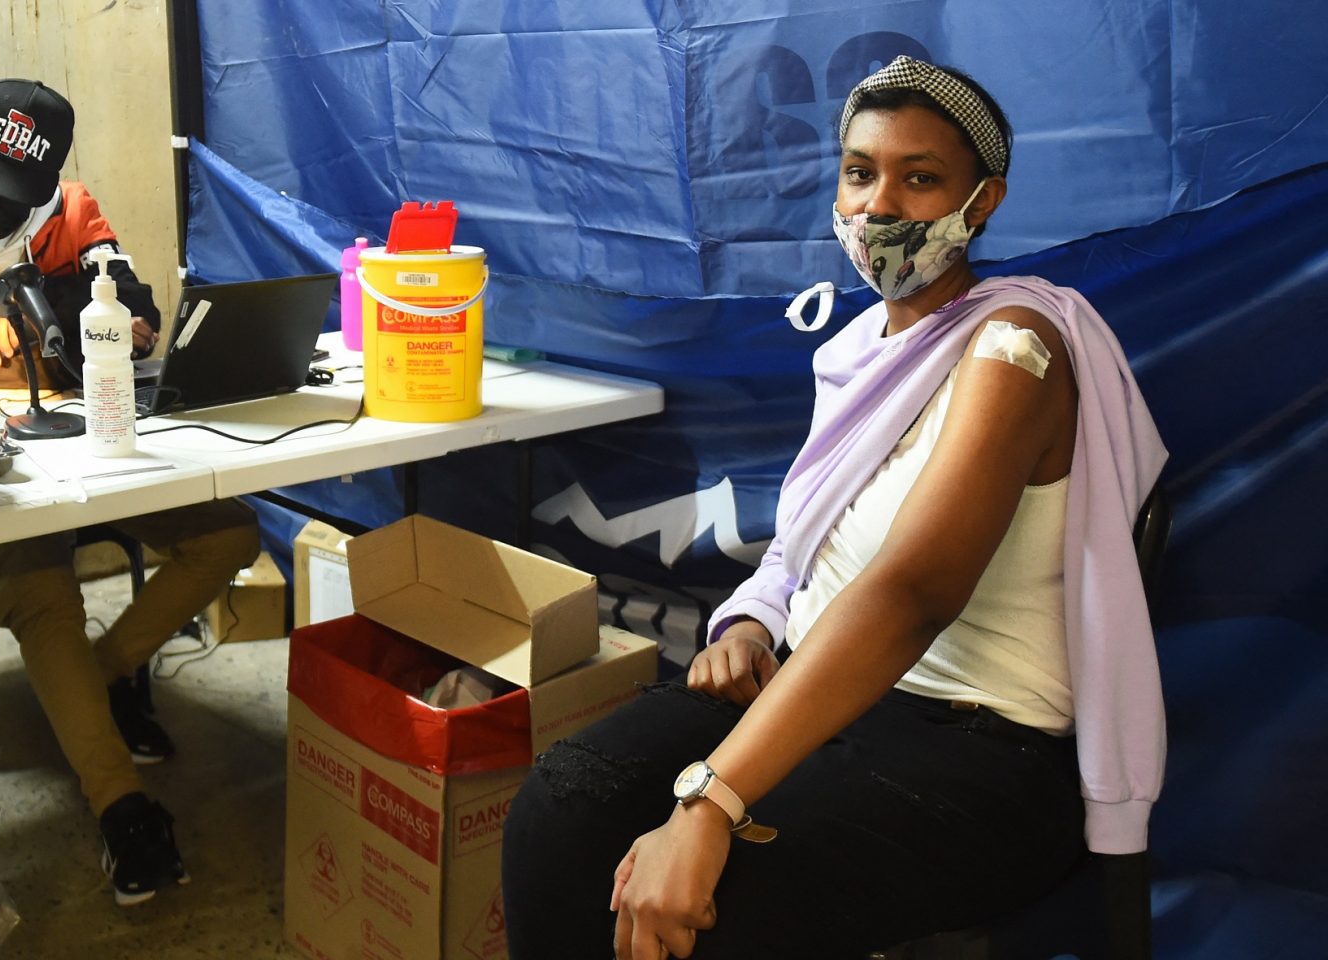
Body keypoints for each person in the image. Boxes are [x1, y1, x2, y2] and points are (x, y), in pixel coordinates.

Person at [501, 56, 1168, 957]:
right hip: (828, 687)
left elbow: (912, 591)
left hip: (977, 743)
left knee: (727, 896)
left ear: (985, 202)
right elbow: (816, 536)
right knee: (561, 803)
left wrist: (709, 801)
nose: (879, 207)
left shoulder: (1014, 345)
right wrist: (750, 619)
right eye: (860, 173)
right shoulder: (861, 352)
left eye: (920, 179)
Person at [0, 79, 261, 905]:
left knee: (230, 534)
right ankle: (121, 806)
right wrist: (63, 332)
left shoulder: (71, 209)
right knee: (36, 582)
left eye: (11, 193)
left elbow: (138, 314)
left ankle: (104, 672)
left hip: (99, 440)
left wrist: (20, 307)